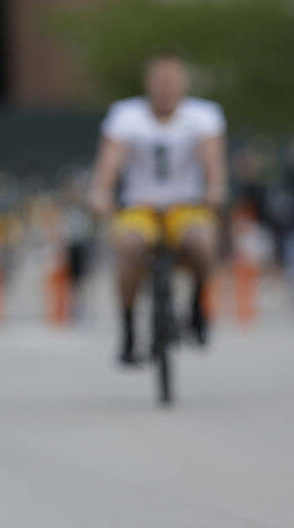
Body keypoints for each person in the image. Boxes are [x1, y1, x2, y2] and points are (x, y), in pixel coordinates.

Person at [88, 51, 226, 364]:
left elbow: (212, 159)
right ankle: (128, 328)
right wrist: (102, 191)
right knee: (129, 246)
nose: (165, 88)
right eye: (159, 80)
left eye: (171, 81)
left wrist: (215, 187)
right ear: (148, 84)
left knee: (203, 242)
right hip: (140, 207)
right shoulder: (126, 115)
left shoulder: (204, 116)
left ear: (182, 84)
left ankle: (197, 305)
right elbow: (111, 159)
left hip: (186, 205)